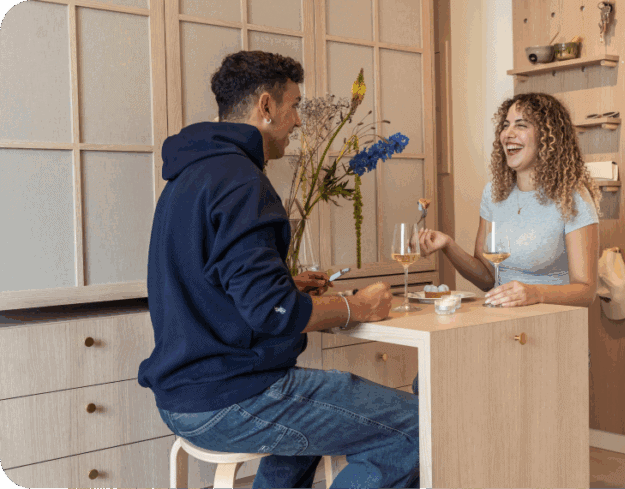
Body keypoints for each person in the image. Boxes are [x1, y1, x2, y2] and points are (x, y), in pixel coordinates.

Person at [138, 50, 420, 489]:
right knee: (420, 428)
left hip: (185, 393)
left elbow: (209, 282)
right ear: (266, 106)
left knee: (314, 420)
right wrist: (358, 307)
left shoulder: (191, 175)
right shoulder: (241, 181)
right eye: (295, 106)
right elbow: (274, 313)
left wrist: (284, 285)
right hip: (232, 397)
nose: (299, 121)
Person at [419, 92, 600, 309]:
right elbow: (487, 278)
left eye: (521, 125)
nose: (508, 134)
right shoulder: (493, 193)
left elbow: (586, 291)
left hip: (553, 321)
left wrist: (535, 293)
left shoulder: (572, 196)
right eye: (505, 126)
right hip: (502, 317)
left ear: (548, 136)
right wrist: (448, 245)